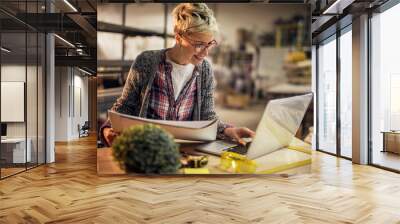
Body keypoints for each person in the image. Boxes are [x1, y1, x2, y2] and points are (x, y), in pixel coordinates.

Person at [100, 3, 255, 147]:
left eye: (209, 44)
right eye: (199, 44)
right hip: (146, 148)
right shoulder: (146, 62)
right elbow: (125, 106)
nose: (205, 53)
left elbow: (206, 116)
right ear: (178, 37)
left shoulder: (205, 69)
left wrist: (227, 130)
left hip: (184, 151)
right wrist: (107, 129)